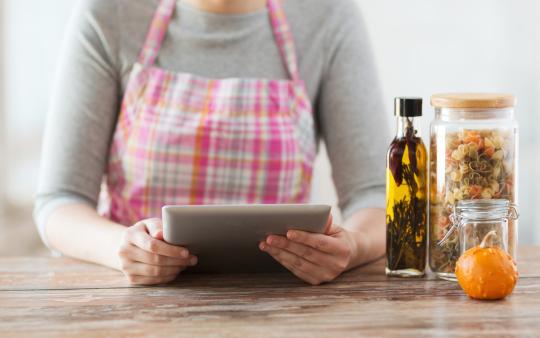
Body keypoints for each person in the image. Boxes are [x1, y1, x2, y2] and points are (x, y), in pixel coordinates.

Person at [35, 0, 390, 286]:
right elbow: (60, 201)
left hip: (282, 304)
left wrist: (353, 245)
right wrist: (121, 249)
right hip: (137, 307)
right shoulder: (109, 13)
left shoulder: (328, 16)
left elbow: (375, 196)